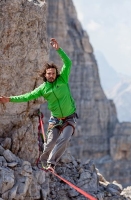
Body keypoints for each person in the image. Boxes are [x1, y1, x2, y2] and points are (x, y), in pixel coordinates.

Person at [0, 38, 77, 171]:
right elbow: (27, 96)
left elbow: (68, 62)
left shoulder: (63, 79)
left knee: (64, 139)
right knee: (49, 144)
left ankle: (51, 164)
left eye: (53, 73)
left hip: (70, 118)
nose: (51, 75)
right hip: (56, 119)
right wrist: (9, 99)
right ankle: (42, 163)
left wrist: (58, 49)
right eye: (49, 74)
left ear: (56, 74)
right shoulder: (43, 88)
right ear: (45, 75)